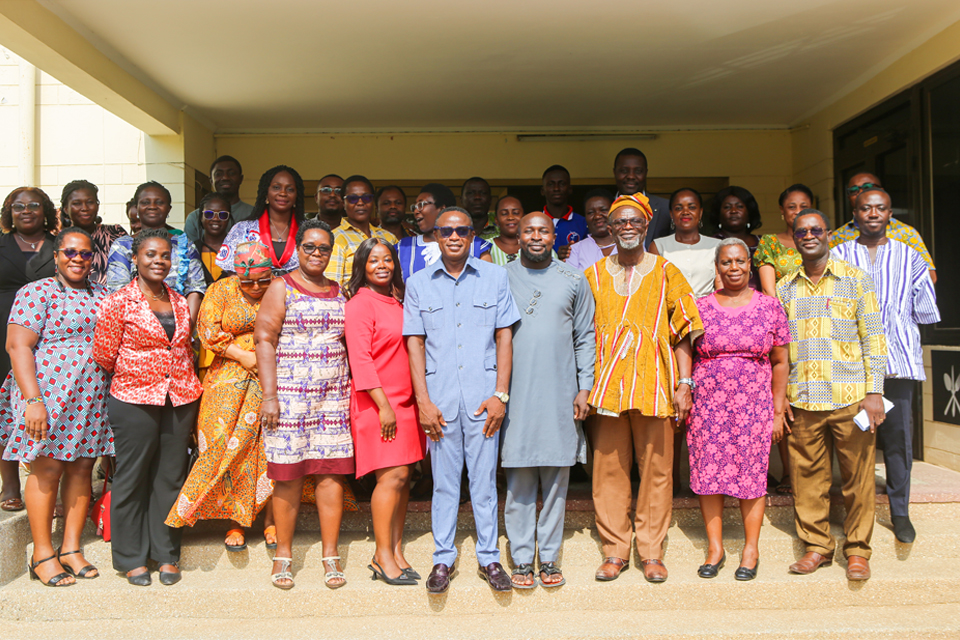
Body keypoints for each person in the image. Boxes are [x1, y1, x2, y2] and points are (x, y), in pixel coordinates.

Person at [586, 193, 702, 584]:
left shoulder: (667, 272)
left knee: (657, 471)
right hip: (607, 387)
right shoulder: (593, 274)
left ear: (647, 225)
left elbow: (683, 331)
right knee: (608, 471)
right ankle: (614, 550)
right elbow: (582, 335)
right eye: (620, 221)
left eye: (635, 221)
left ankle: (651, 551)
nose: (627, 227)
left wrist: (684, 383)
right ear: (610, 228)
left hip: (656, 385)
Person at [403, 207, 520, 595]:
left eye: (462, 230)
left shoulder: (495, 277)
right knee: (444, 485)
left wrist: (500, 394)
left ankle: (489, 557)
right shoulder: (418, 283)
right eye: (447, 231)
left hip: (483, 399)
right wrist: (423, 401)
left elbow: (504, 337)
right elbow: (415, 344)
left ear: (473, 236)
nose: (454, 236)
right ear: (436, 236)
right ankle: (443, 558)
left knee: (484, 483)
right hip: (440, 402)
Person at [779, 209, 887, 582]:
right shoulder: (784, 287)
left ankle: (857, 551)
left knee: (858, 479)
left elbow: (874, 338)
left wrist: (875, 391)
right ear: (794, 239)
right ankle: (817, 547)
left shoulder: (856, 280)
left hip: (850, 397)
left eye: (816, 230)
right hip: (803, 399)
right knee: (807, 479)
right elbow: (780, 349)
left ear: (828, 234)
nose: (809, 236)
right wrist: (781, 397)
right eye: (801, 231)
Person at [1, 228, 111, 586]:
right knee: (47, 468)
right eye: (70, 252)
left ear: (93, 258)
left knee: (82, 468)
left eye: (85, 253)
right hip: (47, 394)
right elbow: (18, 346)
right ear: (56, 255)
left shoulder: (102, 294)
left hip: (90, 395)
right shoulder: (37, 292)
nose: (77, 259)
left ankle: (71, 548)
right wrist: (33, 401)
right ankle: (42, 553)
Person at [94, 229, 203, 586]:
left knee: (170, 477)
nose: (158, 261)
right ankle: (131, 557)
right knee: (133, 476)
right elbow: (104, 355)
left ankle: (166, 553)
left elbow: (183, 348)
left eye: (165, 255)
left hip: (179, 397)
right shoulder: (118, 301)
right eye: (150, 255)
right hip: (134, 398)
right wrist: (140, 372)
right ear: (136, 259)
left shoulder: (179, 300)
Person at [832, 188, 940, 544]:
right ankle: (855, 512)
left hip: (898, 362)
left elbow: (925, 310)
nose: (873, 213)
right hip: (852, 364)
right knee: (854, 440)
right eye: (866, 208)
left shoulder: (911, 256)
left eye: (880, 208)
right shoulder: (839, 254)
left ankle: (900, 511)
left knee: (897, 440)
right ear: (855, 214)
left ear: (890, 214)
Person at [255, 219, 354, 590]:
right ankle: (283, 554)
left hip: (333, 396)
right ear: (298, 249)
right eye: (309, 246)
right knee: (288, 476)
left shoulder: (339, 290)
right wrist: (269, 396)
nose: (316, 253)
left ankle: (331, 555)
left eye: (323, 248)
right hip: (289, 397)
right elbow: (264, 339)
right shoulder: (281, 286)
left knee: (331, 475)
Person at [686, 239, 790, 581]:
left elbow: (781, 361)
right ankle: (715, 548)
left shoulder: (770, 307)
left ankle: (750, 549)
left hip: (753, 404)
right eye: (726, 262)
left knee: (752, 473)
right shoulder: (699, 307)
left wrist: (777, 410)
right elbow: (684, 350)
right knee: (708, 473)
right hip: (708, 404)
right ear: (717, 267)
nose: (734, 267)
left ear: (749, 265)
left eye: (740, 261)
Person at [501, 213, 595, 589]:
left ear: (555, 237)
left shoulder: (574, 279)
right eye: (529, 231)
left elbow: (585, 336)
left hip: (561, 391)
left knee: (557, 477)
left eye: (543, 231)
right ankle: (523, 558)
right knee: (519, 475)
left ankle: (550, 557)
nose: (536, 236)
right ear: (518, 236)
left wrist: (584, 387)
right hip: (515, 393)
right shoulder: (501, 278)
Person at [165, 241, 277, 550]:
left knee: (268, 448)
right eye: (248, 281)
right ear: (235, 274)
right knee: (224, 445)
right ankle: (234, 520)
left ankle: (271, 519)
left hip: (272, 377)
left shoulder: (280, 289)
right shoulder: (220, 290)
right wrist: (243, 355)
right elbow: (207, 330)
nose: (256, 287)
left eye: (263, 279)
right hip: (228, 377)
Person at [344, 238, 425, 585]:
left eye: (387, 259)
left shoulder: (397, 300)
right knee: (390, 478)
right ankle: (381, 555)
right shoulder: (360, 304)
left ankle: (395, 549)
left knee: (404, 478)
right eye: (373, 260)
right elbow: (360, 359)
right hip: (378, 403)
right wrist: (384, 406)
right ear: (362, 266)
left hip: (405, 402)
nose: (382, 265)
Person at [0, 187, 58, 512]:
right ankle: (10, 482)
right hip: (3, 336)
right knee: (2, 411)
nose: (25, 210)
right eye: (18, 206)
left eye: (33, 205)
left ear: (45, 210)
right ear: (9, 213)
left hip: (48, 340)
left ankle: (51, 483)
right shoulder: (1, 243)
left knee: (49, 406)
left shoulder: (59, 245)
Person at [753, 184, 813, 495]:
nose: (798, 211)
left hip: (819, 333)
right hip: (784, 333)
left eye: (804, 205)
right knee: (784, 399)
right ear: (781, 211)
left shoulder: (822, 241)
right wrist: (783, 331)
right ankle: (790, 473)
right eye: (792, 206)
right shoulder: (769, 244)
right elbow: (769, 293)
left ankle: (812, 475)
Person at [105, 181, 206, 324]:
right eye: (145, 202)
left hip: (180, 322)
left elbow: (196, 289)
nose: (152, 206)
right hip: (135, 324)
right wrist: (148, 328)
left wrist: (185, 327)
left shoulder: (185, 244)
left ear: (169, 209)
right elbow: (119, 291)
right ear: (137, 207)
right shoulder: (122, 245)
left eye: (159, 202)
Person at [831, 172, 936, 283]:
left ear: (881, 191)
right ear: (849, 197)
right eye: (854, 190)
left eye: (867, 187)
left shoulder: (906, 233)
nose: (861, 193)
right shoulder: (838, 236)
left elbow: (929, 276)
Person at [217, 165, 307, 276]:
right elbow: (232, 273)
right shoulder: (242, 229)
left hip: (299, 287)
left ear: (297, 195)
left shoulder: (309, 230)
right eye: (276, 187)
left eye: (290, 189)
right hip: (254, 287)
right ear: (266, 192)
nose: (283, 193)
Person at [397, 184, 491, 281]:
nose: (416, 211)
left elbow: (489, 283)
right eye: (415, 207)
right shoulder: (403, 247)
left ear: (442, 209)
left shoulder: (477, 246)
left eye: (421, 205)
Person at [325, 175, 398, 287]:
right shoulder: (335, 238)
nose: (360, 203)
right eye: (352, 198)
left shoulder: (389, 237)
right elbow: (333, 287)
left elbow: (399, 279)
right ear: (343, 203)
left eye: (366, 198)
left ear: (373, 202)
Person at [649, 188, 721, 298]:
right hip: (671, 307)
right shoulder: (658, 246)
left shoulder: (717, 246)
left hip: (707, 307)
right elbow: (655, 288)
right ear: (671, 214)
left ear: (700, 212)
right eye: (678, 208)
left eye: (692, 207)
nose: (685, 212)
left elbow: (721, 287)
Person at [60, 180, 127, 284]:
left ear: (97, 205)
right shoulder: (60, 240)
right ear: (65, 209)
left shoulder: (116, 233)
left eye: (90, 202)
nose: (85, 208)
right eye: (77, 203)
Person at [183, 156, 253, 244]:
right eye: (218, 174)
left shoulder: (255, 214)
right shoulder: (195, 218)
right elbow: (189, 250)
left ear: (241, 179)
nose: (225, 177)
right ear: (211, 181)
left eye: (231, 173)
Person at [612, 148, 670, 247]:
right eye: (624, 171)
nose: (631, 176)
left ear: (646, 173)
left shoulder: (665, 208)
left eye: (638, 171)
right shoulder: (603, 209)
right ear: (615, 172)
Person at [540, 165, 587, 260]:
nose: (556, 188)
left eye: (561, 184)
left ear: (570, 189)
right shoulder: (533, 222)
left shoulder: (583, 223)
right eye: (551, 184)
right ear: (542, 190)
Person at [566, 189, 617, 271]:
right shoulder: (575, 250)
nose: (597, 216)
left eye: (603, 210)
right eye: (590, 212)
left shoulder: (628, 245)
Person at [489, 196, 524, 265]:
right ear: (496, 220)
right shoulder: (485, 246)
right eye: (504, 214)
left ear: (524, 217)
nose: (510, 217)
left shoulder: (534, 245)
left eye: (516, 213)